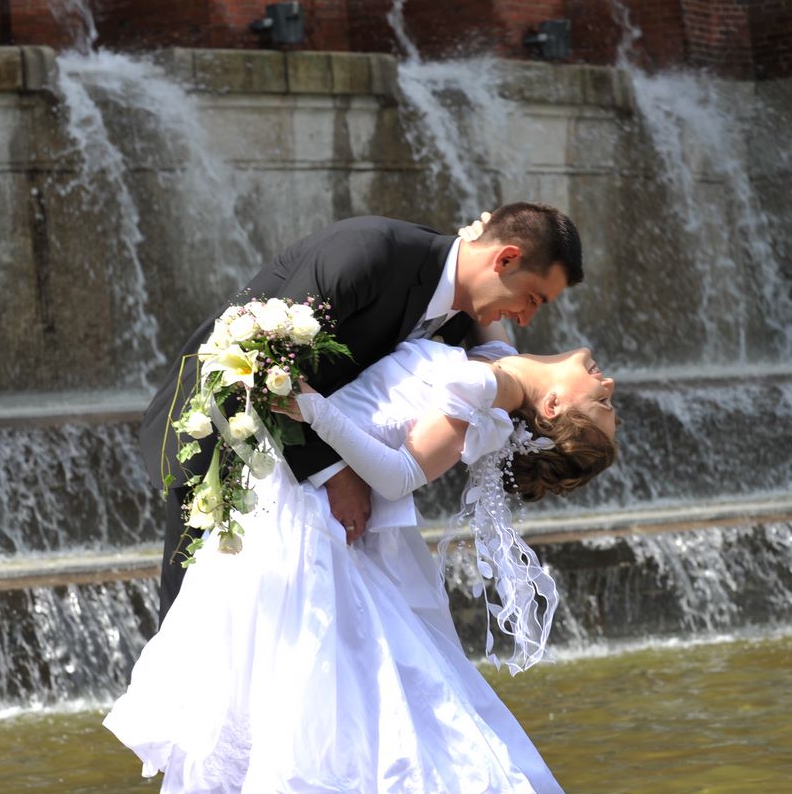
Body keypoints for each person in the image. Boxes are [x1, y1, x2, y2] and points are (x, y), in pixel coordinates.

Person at [104, 331, 617, 794]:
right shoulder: (501, 362)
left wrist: (313, 408)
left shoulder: (482, 388)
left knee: (305, 690)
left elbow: (399, 477)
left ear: (552, 409)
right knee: (283, 689)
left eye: (603, 405)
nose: (610, 385)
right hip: (293, 491)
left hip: (310, 511)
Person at [141, 204, 584, 621]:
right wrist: (334, 472)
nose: (526, 318)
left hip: (300, 499)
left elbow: (502, 360)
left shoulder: (462, 310)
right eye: (533, 298)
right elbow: (263, 364)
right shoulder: (370, 252)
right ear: (505, 260)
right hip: (221, 442)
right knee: (194, 630)